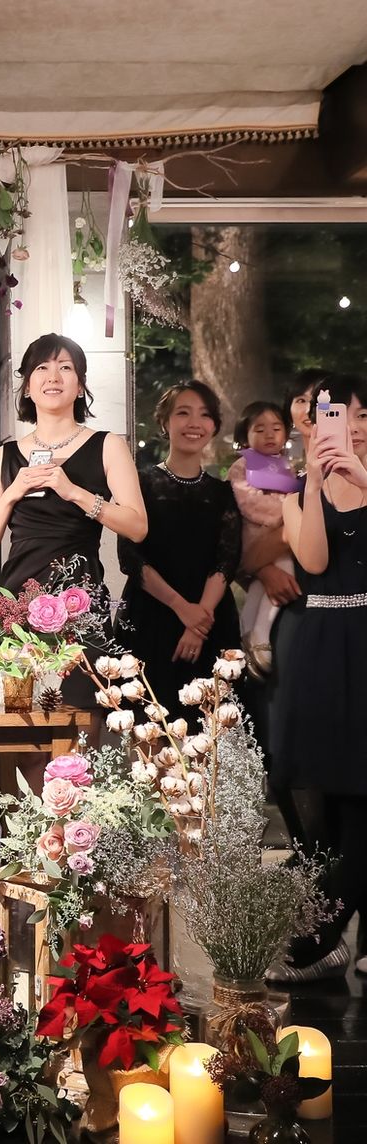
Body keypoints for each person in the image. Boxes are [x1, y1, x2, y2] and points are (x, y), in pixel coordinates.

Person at [268, 375, 367, 981]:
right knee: (326, 792)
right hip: (321, 649)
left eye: (361, 415)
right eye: (336, 414)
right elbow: (312, 560)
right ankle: (323, 941)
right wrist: (311, 480)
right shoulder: (296, 491)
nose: (350, 426)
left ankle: (316, 939)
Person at [0, 332, 147, 598]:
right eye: (42, 368)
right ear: (28, 387)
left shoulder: (109, 446)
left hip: (82, 601)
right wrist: (13, 492)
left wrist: (74, 493)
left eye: (65, 367)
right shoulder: (3, 456)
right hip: (19, 600)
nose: (53, 377)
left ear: (80, 387)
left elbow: (137, 528)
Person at [116, 381, 241, 718]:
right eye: (183, 413)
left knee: (211, 726)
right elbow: (130, 556)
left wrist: (199, 620)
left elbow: (227, 560)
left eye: (204, 415)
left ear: (214, 426)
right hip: (150, 617)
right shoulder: (138, 483)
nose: (194, 423)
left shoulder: (223, 493)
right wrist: (181, 608)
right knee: (148, 725)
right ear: (164, 421)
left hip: (211, 620)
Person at [228, 401, 301, 677]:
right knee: (282, 573)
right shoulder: (242, 466)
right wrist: (288, 513)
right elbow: (249, 502)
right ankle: (260, 633)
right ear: (245, 436)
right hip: (254, 537)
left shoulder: (286, 466)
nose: (269, 435)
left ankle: (247, 632)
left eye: (276, 428)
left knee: (263, 586)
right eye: (260, 429)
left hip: (276, 536)